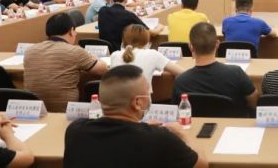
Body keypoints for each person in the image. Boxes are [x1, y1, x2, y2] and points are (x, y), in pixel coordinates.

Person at [64, 65, 207, 168]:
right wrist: (183, 134)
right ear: (138, 102)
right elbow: (201, 165)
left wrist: (143, 128)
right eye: (148, 94)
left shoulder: (75, 131)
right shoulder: (160, 139)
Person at [24, 13, 108, 112]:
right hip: (66, 111)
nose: (76, 34)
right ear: (71, 31)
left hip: (34, 111)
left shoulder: (30, 51)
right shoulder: (74, 51)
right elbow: (103, 70)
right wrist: (93, 56)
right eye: (75, 31)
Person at [172, 22, 258, 109]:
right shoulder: (236, 73)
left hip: (194, 119)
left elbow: (177, 110)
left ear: (190, 47)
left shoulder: (180, 82)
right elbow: (253, 99)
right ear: (217, 44)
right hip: (231, 118)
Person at [111, 24, 184, 91]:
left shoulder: (114, 55)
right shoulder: (152, 54)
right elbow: (182, 73)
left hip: (115, 100)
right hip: (142, 100)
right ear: (147, 41)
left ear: (123, 41)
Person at [98, 0, 164, 50]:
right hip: (122, 51)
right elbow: (152, 33)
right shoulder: (128, 15)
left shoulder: (102, 11)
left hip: (104, 49)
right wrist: (160, 26)